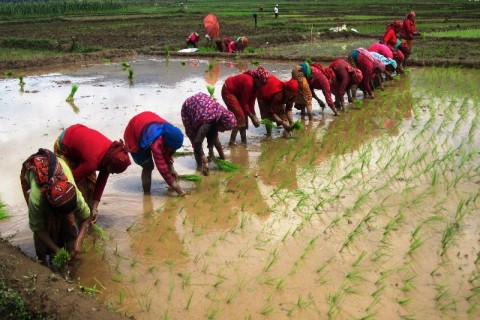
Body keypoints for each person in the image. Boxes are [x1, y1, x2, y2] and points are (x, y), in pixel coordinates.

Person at [20, 148, 91, 264]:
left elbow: (86, 217)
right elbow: (37, 228)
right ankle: (42, 263)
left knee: (70, 224)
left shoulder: (72, 192)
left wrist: (79, 241)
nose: (69, 215)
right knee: (46, 224)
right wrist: (57, 250)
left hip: (57, 166)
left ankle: (70, 252)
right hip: (31, 171)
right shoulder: (37, 199)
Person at [54, 124, 131, 223]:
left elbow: (102, 180)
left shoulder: (111, 153)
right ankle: (74, 219)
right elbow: (71, 181)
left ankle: (89, 213)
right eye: (112, 170)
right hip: (64, 145)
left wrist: (94, 208)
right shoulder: (92, 162)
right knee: (76, 189)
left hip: (82, 145)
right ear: (109, 164)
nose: (111, 173)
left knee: (91, 187)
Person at [123, 112, 186, 196]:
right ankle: (147, 195)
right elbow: (162, 167)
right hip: (133, 133)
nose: (174, 151)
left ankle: (167, 188)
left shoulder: (169, 131)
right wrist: (176, 187)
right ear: (166, 143)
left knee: (166, 157)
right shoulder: (157, 144)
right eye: (173, 148)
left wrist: (171, 167)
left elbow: (168, 153)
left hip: (147, 124)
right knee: (148, 166)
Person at [181, 92, 237, 175]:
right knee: (194, 137)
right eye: (224, 129)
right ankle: (199, 167)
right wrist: (204, 159)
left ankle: (221, 157)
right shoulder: (207, 124)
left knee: (214, 136)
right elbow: (197, 143)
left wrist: (222, 158)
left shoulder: (220, 114)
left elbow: (214, 137)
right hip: (190, 108)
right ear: (220, 123)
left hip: (204, 107)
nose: (223, 131)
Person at [221, 65, 270, 145]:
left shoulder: (256, 87)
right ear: (257, 79)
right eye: (261, 83)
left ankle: (244, 141)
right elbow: (244, 104)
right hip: (228, 91)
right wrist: (252, 117)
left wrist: (254, 116)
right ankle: (232, 141)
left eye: (264, 84)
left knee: (243, 116)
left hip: (237, 93)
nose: (262, 86)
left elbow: (251, 103)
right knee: (240, 116)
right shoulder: (249, 84)